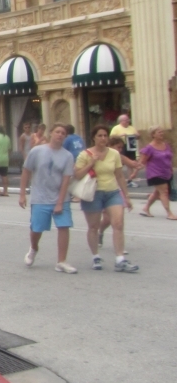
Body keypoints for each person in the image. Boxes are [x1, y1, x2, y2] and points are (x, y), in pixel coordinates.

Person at [74, 125, 139, 272]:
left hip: (112, 192)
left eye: (105, 135)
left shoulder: (114, 154)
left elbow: (120, 176)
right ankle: (95, 256)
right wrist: (91, 162)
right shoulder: (85, 154)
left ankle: (120, 259)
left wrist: (126, 196)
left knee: (118, 223)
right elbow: (77, 175)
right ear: (94, 137)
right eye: (100, 136)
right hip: (93, 193)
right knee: (94, 227)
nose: (103, 138)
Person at [19, 124, 77, 273]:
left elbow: (66, 180)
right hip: (40, 197)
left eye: (63, 133)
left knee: (64, 226)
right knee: (36, 229)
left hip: (60, 197)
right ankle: (33, 248)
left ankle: (61, 261)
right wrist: (22, 194)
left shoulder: (67, 156)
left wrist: (59, 202)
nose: (60, 135)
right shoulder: (37, 151)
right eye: (57, 131)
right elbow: (26, 172)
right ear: (51, 133)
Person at [138, 127, 175, 219]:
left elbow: (169, 158)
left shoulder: (166, 145)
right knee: (164, 192)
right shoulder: (149, 148)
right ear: (153, 134)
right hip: (155, 173)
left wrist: (171, 169)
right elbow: (142, 161)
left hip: (166, 172)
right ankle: (169, 213)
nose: (161, 134)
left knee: (157, 193)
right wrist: (134, 173)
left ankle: (146, 208)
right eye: (159, 132)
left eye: (162, 132)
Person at [110, 114, 140, 187]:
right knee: (119, 163)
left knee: (131, 164)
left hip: (131, 146)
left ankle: (130, 180)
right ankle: (117, 179)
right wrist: (121, 135)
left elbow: (138, 136)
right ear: (121, 121)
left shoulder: (131, 128)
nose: (127, 121)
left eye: (128, 120)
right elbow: (111, 137)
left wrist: (137, 135)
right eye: (125, 120)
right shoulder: (116, 128)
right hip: (121, 146)